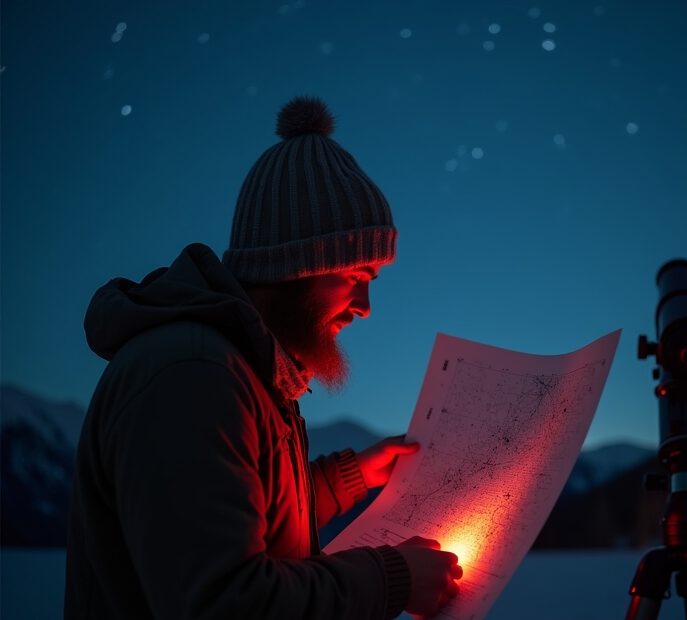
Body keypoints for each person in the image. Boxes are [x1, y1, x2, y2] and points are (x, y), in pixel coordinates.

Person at [65, 96, 462, 619]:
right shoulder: (191, 376)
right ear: (296, 265)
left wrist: (353, 476)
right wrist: (392, 577)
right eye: (356, 277)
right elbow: (224, 602)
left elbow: (236, 512)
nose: (365, 309)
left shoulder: (238, 367)